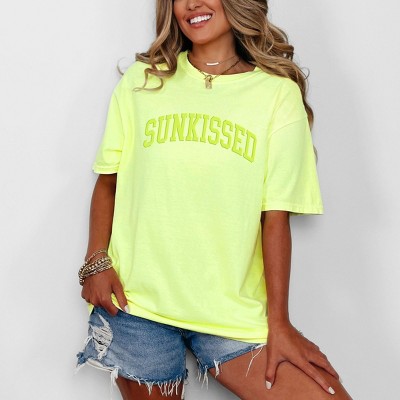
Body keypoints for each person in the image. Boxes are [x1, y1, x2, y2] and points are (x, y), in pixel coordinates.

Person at [76, 1, 352, 399]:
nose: (192, 4)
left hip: (232, 314)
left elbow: (275, 218)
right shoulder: (143, 81)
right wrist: (95, 263)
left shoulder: (276, 94)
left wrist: (279, 323)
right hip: (137, 307)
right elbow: (109, 182)